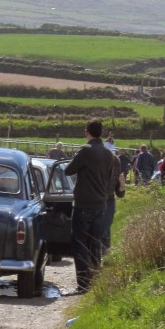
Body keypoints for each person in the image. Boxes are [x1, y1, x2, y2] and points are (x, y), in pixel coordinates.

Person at [64, 119, 120, 294]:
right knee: (95, 243)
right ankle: (96, 281)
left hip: (84, 203)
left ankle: (83, 284)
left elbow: (68, 170)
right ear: (101, 133)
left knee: (80, 243)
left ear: (86, 132)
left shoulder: (85, 150)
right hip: (101, 203)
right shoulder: (109, 154)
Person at [97, 161, 126, 257]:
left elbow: (120, 194)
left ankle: (105, 254)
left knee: (105, 227)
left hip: (109, 202)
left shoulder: (116, 173)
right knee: (100, 229)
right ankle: (99, 254)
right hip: (96, 202)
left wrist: (122, 185)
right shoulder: (96, 172)